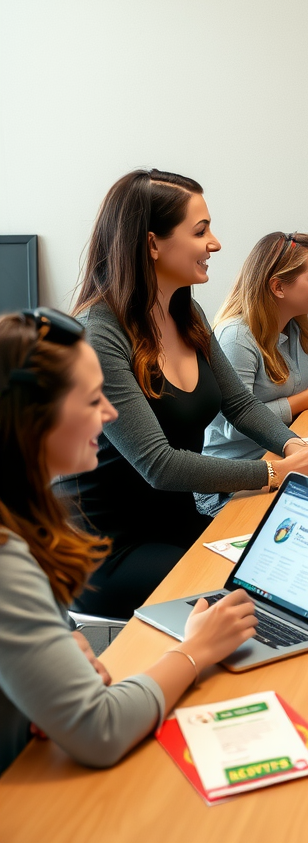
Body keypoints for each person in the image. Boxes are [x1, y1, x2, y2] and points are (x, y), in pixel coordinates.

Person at [67, 170, 308, 617]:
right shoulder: (99, 337)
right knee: (255, 600)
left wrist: (296, 447)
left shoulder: (186, 311)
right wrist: (278, 473)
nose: (215, 243)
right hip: (104, 551)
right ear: (153, 244)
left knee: (289, 567)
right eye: (201, 231)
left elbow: (239, 404)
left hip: (174, 521)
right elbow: (159, 465)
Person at [0, 308, 258, 775]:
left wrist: (66, 645)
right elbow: (101, 730)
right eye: (92, 399)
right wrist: (194, 651)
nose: (110, 413)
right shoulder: (7, 557)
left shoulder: (22, 519)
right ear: (35, 418)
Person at [201, 232, 308, 512]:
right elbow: (232, 427)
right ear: (278, 287)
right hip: (236, 482)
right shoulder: (236, 337)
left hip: (286, 457)